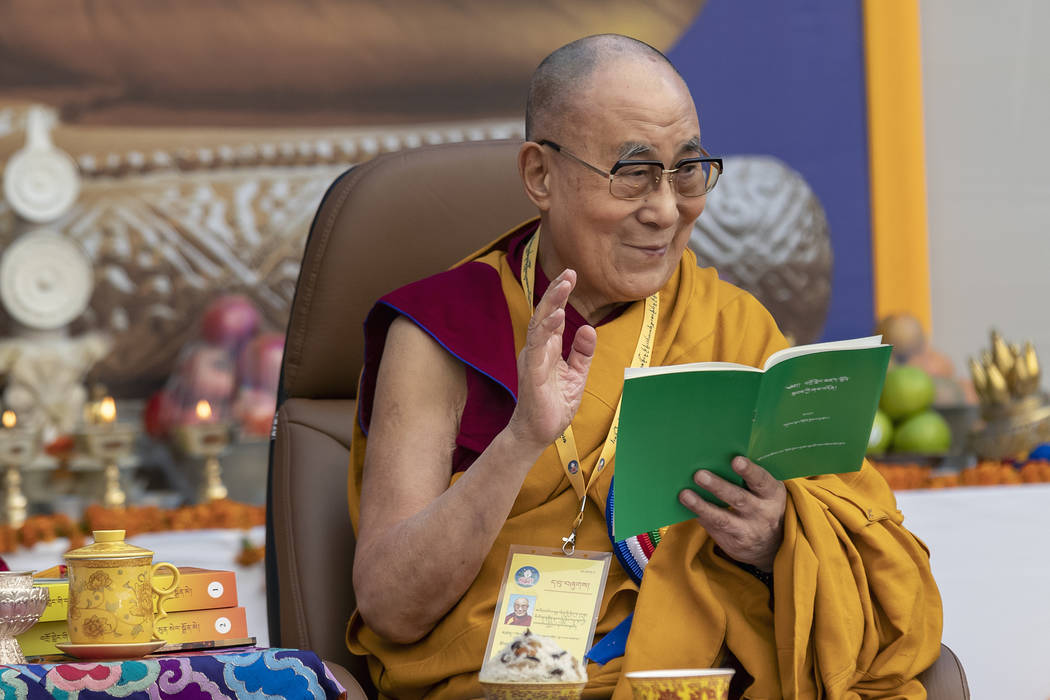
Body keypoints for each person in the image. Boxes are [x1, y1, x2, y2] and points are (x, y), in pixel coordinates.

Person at [346, 34, 942, 699]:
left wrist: (774, 540)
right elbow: (392, 606)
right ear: (540, 175)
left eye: (687, 170)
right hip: (511, 681)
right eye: (633, 173)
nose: (665, 210)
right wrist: (520, 442)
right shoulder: (444, 332)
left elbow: (871, 559)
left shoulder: (730, 326)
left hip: (703, 678)